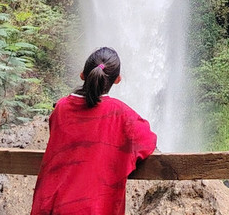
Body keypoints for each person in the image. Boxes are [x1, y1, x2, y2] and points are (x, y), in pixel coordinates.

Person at [31, 47, 157, 215]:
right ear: (117, 79)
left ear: (82, 74)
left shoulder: (61, 108)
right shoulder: (121, 114)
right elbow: (147, 141)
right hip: (93, 208)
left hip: (52, 205)